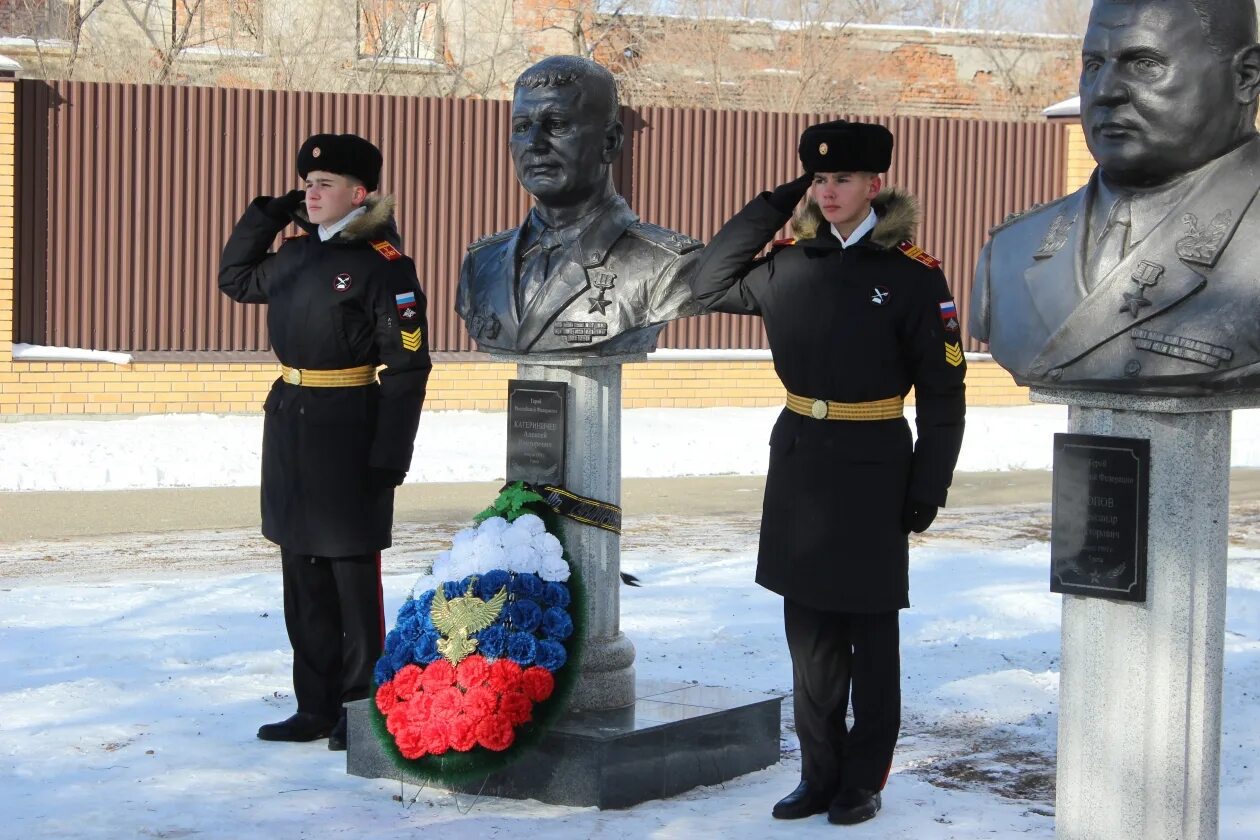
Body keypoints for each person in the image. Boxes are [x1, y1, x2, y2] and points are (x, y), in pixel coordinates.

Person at [687, 120, 966, 825]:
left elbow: (943, 390)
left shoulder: (912, 276)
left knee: (870, 637)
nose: (828, 190)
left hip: (875, 465)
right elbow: (705, 280)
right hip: (802, 467)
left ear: (876, 185)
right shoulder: (789, 265)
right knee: (809, 638)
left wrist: (929, 483)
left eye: (841, 178)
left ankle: (862, 779)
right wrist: (778, 201)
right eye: (818, 178)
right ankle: (818, 774)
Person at [219, 133, 432, 751]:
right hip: (291, 423)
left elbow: (410, 366)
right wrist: (268, 213)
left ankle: (358, 711)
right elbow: (235, 278)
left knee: (350, 580)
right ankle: (312, 706)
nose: (311, 194)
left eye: (325, 185)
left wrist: (390, 455)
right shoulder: (292, 256)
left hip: (350, 430)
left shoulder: (384, 264)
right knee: (300, 573)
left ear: (359, 194)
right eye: (307, 185)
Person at [971, 0, 1260, 396]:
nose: (1104, 91)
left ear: (1246, 77)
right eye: (1093, 65)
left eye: (1144, 64)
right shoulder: (1009, 252)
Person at [456, 55, 701, 355]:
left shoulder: (667, 264)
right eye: (522, 127)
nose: (534, 143)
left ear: (610, 142)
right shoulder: (481, 263)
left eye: (556, 124)